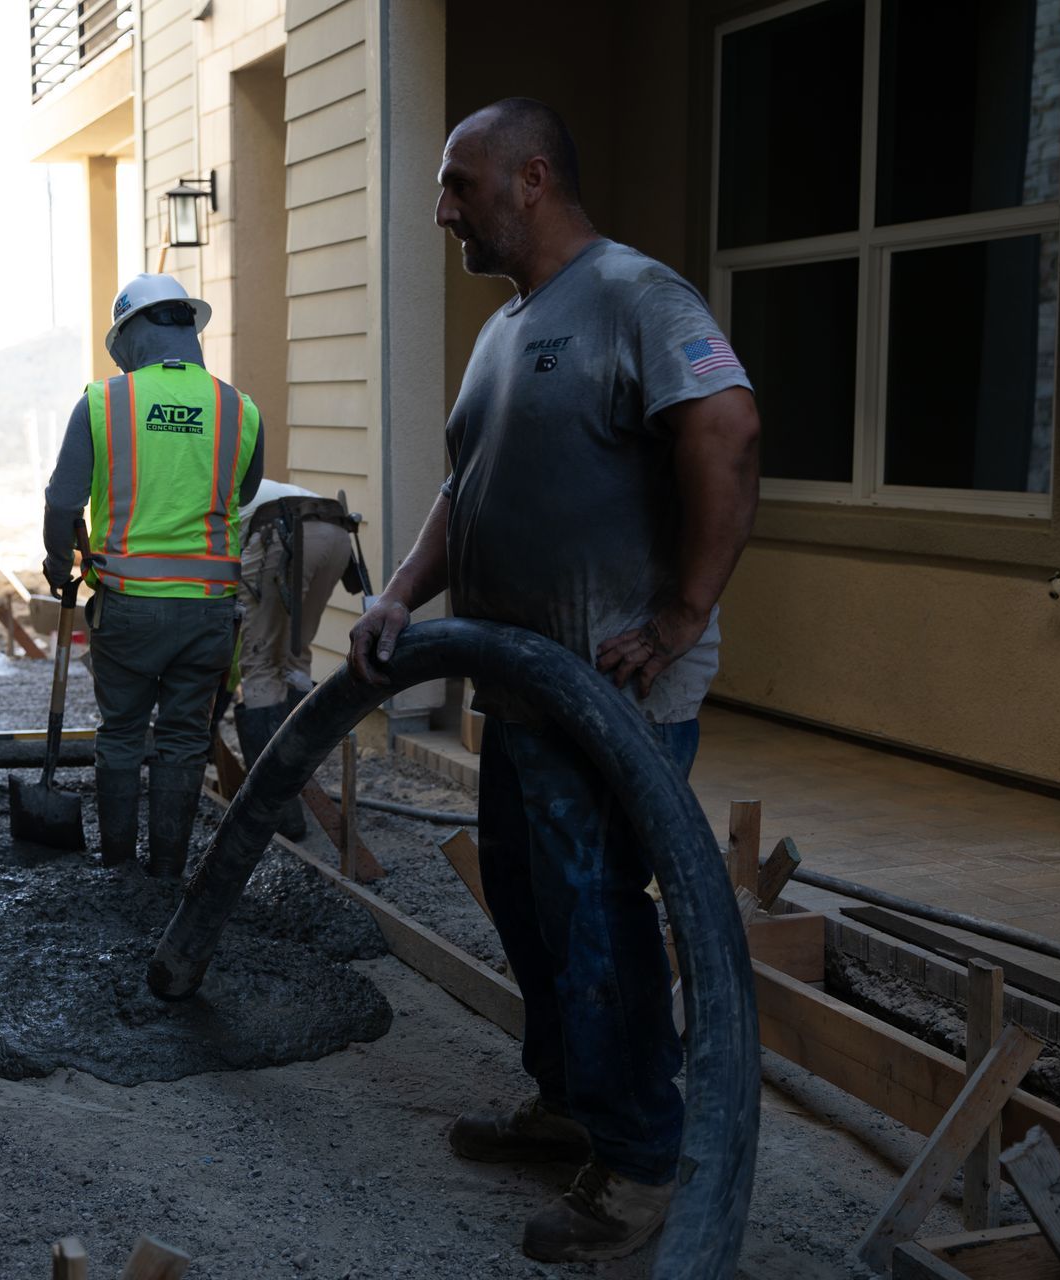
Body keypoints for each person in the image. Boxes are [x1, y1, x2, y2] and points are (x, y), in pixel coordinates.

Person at [346, 98, 761, 1263]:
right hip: (519, 688)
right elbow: (464, 492)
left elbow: (726, 428)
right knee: (532, 908)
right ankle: (570, 1102)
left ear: (532, 179)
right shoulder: (504, 329)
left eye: (459, 185)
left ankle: (638, 1163)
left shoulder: (637, 295)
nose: (442, 210)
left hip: (614, 697)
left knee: (597, 921)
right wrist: (398, 597)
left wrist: (682, 613)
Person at [41, 273, 263, 875]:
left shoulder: (103, 403)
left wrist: (59, 564)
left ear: (129, 336)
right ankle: (166, 871)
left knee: (121, 733)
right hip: (208, 611)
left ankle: (117, 869)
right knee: (185, 739)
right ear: (189, 329)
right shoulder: (239, 409)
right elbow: (242, 492)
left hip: (129, 606)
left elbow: (63, 504)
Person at [231, 479, 357, 838]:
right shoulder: (244, 483)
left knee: (259, 665)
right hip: (335, 532)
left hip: (282, 532)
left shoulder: (202, 500)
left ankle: (276, 810)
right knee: (295, 655)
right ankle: (299, 782)